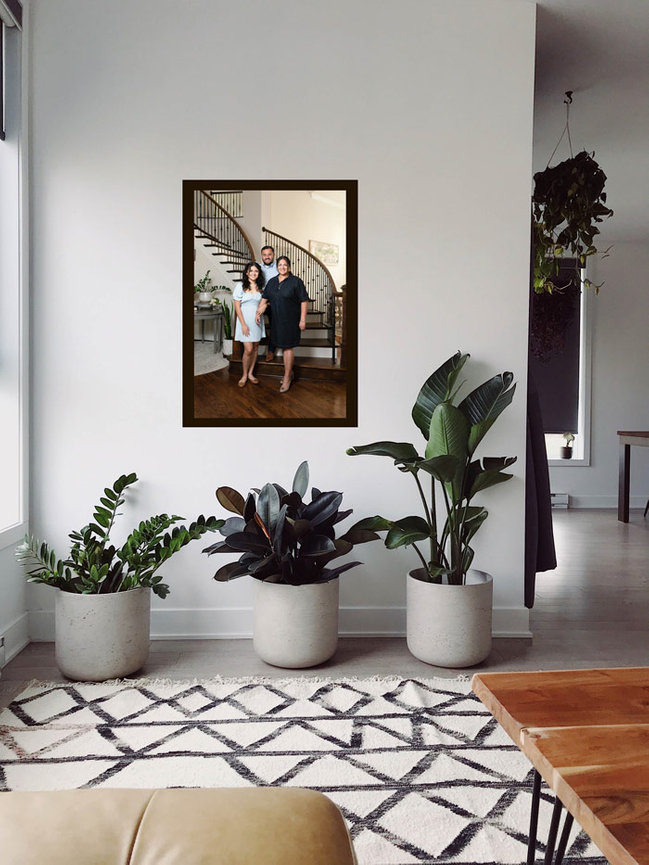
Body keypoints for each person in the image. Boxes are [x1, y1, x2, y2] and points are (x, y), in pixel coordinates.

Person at [256, 255, 308, 393]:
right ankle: (289, 372)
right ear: (277, 267)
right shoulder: (272, 282)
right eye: (280, 265)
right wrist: (259, 310)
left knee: (287, 348)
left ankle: (286, 378)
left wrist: (302, 319)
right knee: (282, 345)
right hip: (277, 320)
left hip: (291, 320)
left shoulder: (296, 282)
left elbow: (304, 300)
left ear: (289, 267)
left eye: (285, 265)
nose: (282, 267)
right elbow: (265, 298)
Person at [233, 262, 266, 387]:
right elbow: (237, 307)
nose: (253, 273)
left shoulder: (260, 287)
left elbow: (265, 302)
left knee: (256, 348)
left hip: (257, 322)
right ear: (246, 272)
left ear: (259, 273)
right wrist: (243, 324)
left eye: (256, 271)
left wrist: (263, 307)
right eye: (251, 271)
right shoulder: (240, 286)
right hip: (245, 322)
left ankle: (251, 373)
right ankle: (244, 375)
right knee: (249, 349)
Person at [259, 246, 278, 361]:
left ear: (273, 255)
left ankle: (271, 351)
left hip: (274, 301)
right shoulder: (257, 268)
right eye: (264, 255)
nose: (267, 257)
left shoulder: (278, 267)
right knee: (252, 319)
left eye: (269, 254)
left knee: (274, 326)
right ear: (262, 256)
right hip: (260, 300)